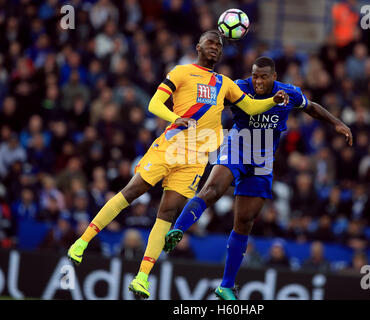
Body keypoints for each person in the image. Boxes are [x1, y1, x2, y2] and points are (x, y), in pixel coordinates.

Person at [67, 30, 289, 299]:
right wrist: (176, 117)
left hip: (196, 159)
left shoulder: (225, 83)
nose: (215, 48)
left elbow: (252, 108)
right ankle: (83, 241)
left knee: (168, 212)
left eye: (219, 46)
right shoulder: (182, 72)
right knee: (133, 191)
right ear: (198, 46)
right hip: (171, 146)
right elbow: (154, 103)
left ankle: (142, 277)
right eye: (210, 43)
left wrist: (272, 101)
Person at [164, 56, 353, 300]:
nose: (258, 81)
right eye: (255, 75)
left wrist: (336, 123)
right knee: (213, 190)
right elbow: (210, 101)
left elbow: (311, 107)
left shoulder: (289, 93)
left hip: (263, 159)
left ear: (274, 77)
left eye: (263, 76)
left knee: (245, 221)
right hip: (238, 146)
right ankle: (177, 230)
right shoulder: (239, 88)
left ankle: (226, 285)